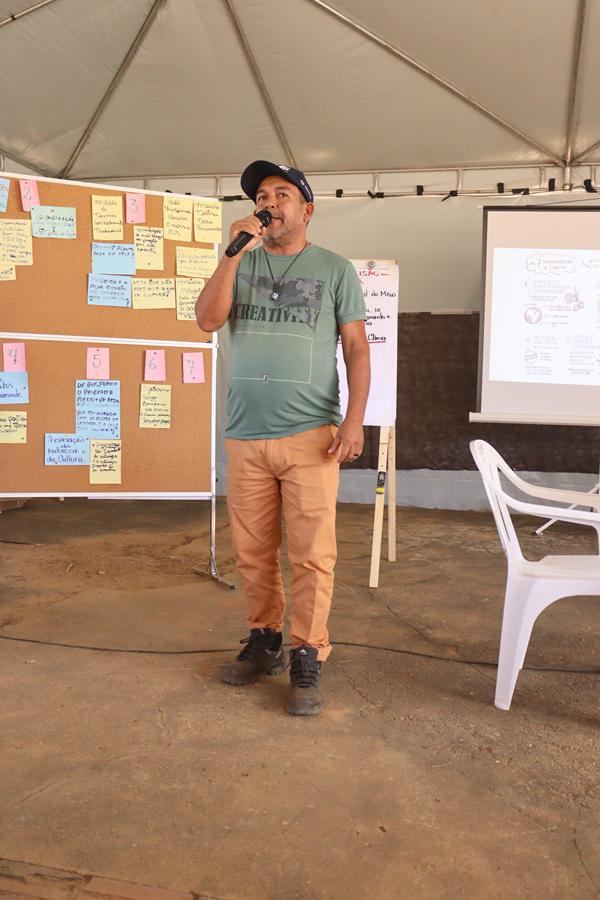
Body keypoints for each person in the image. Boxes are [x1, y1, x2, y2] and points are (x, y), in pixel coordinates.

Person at [196, 160, 370, 715]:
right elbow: (207, 320)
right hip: (245, 434)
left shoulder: (335, 269)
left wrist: (354, 419)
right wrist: (231, 256)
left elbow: (356, 348)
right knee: (252, 552)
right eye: (261, 196)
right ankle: (265, 639)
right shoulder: (239, 261)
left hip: (311, 434)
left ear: (306, 209)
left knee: (313, 554)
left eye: (281, 194)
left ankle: (308, 653)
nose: (268, 203)